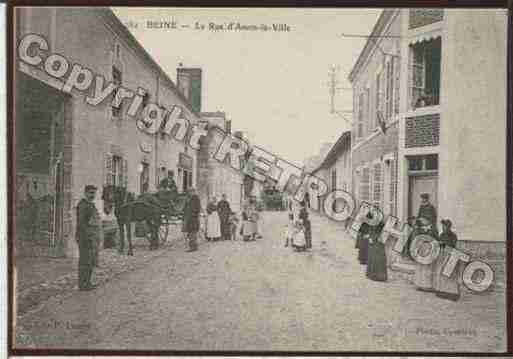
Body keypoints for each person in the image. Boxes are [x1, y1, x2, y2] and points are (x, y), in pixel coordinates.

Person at [76, 185, 100, 291]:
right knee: (85, 260)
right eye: (90, 193)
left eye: (94, 193)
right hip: (85, 237)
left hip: (91, 236)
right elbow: (81, 223)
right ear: (85, 193)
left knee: (90, 261)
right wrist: (88, 236)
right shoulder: (83, 205)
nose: (92, 195)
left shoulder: (90, 204)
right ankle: (83, 284)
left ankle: (87, 282)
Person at [433, 219, 460, 301]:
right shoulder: (441, 235)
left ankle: (452, 293)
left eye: (445, 226)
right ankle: (442, 291)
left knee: (450, 274)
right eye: (443, 226)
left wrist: (445, 245)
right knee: (441, 273)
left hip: (450, 255)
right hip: (442, 255)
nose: (443, 228)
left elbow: (453, 245)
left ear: (449, 227)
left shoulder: (453, 235)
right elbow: (438, 243)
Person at [413, 217, 439, 291]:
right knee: (420, 268)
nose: (423, 221)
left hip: (429, 250)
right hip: (421, 250)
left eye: (424, 220)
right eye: (422, 220)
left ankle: (428, 286)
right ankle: (419, 284)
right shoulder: (419, 229)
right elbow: (416, 239)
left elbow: (436, 239)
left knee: (428, 268)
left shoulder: (434, 229)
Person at [182, 187, 201, 252]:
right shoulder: (190, 198)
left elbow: (197, 208)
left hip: (193, 219)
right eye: (189, 192)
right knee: (191, 232)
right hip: (189, 218)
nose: (189, 193)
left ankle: (193, 247)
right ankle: (193, 246)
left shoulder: (196, 198)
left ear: (193, 192)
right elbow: (186, 208)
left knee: (192, 232)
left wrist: (193, 214)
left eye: (190, 192)